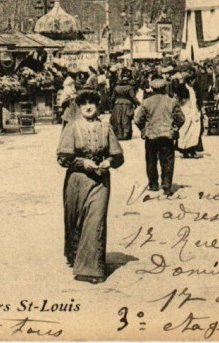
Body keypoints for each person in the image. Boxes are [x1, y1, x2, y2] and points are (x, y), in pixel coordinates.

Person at [56, 90, 124, 284]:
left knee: (95, 221)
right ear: (78, 107)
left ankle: (91, 269)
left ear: (97, 106)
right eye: (84, 103)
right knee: (76, 221)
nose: (88, 107)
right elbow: (62, 157)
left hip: (100, 181)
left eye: (91, 103)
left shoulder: (106, 127)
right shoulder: (72, 127)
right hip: (77, 180)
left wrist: (109, 161)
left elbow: (118, 156)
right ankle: (75, 255)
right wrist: (82, 162)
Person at [134, 78, 185, 194]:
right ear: (164, 88)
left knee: (151, 161)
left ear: (152, 89)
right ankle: (166, 185)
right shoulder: (172, 102)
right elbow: (181, 118)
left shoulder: (146, 102)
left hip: (151, 135)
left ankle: (153, 184)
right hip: (167, 135)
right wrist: (175, 127)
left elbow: (137, 120)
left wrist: (143, 129)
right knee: (167, 161)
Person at [173, 73, 203, 158]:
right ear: (190, 80)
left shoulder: (193, 88)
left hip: (192, 112)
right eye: (193, 80)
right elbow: (178, 100)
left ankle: (191, 149)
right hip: (185, 111)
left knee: (193, 132)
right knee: (185, 131)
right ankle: (185, 150)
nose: (194, 82)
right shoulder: (182, 88)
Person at [109, 70, 139, 140]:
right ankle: (126, 134)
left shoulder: (116, 88)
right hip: (127, 104)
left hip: (117, 104)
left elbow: (112, 98)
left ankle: (118, 134)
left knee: (118, 119)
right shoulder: (129, 88)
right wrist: (138, 103)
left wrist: (111, 106)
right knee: (126, 119)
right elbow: (133, 97)